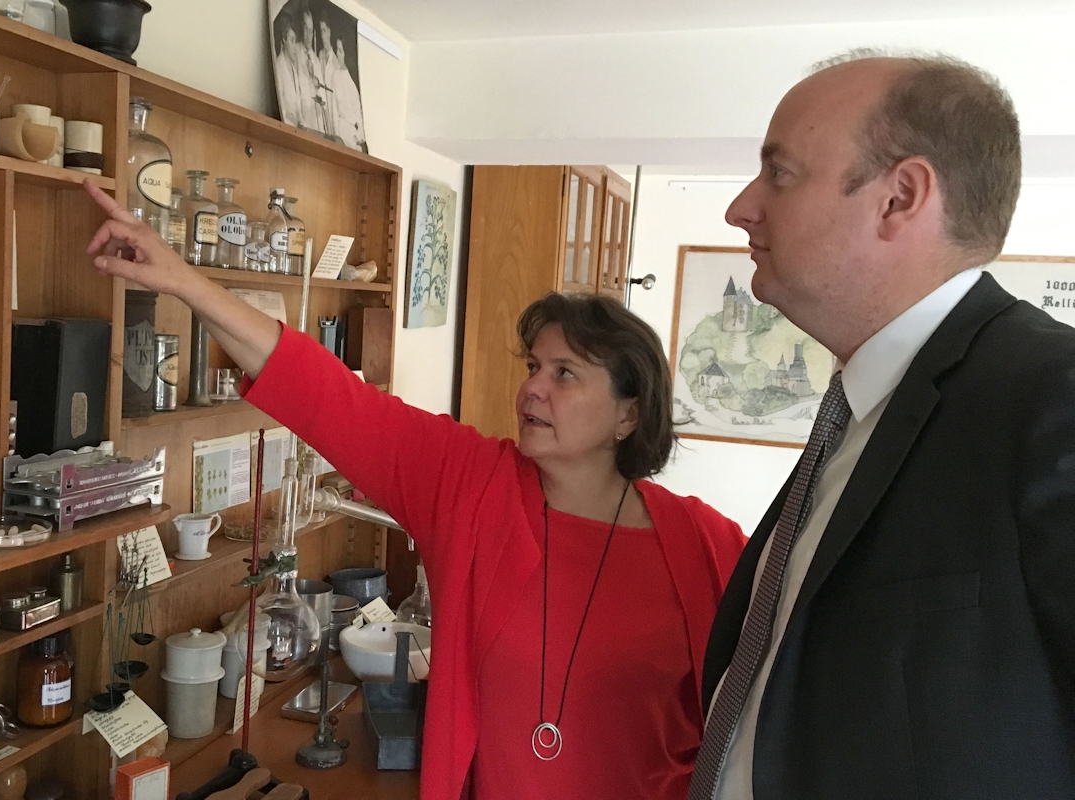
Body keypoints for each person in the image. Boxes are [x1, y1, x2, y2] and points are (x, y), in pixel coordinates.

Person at [80, 181, 746, 800]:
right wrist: (182, 280)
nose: (532, 387)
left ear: (629, 414)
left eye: (565, 373)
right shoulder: (473, 485)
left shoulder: (707, 547)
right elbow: (329, 399)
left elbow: (764, 717)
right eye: (534, 366)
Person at [689, 50, 1075, 800]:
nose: (741, 206)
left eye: (781, 172)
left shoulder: (1050, 395)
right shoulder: (857, 414)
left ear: (899, 198)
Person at [328, 37, 366, 150]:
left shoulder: (355, 79)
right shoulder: (335, 76)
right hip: (342, 131)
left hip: (356, 136)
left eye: (340, 51)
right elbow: (334, 109)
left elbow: (359, 112)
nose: (337, 54)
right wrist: (336, 135)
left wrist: (360, 135)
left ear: (346, 53)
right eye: (337, 49)